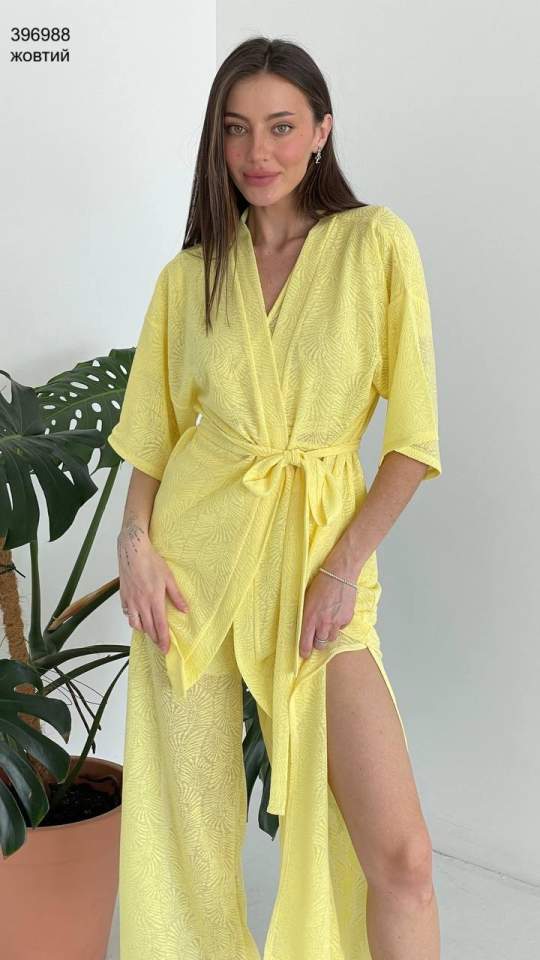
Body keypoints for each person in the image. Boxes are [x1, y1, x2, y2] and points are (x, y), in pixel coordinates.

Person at [107, 35, 443, 960]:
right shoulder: (190, 278)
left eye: (282, 127)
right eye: (237, 129)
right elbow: (154, 436)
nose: (259, 152)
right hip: (191, 570)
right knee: (187, 838)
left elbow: (412, 445)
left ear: (322, 131)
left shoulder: (373, 244)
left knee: (403, 858)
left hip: (317, 565)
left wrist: (342, 571)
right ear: (217, 141)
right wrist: (135, 545)